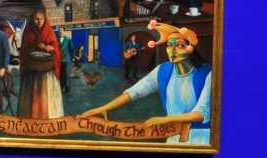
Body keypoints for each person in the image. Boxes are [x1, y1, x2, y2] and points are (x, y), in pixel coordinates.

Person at [82, 21, 211, 144]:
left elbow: (202, 112)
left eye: (180, 46)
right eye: (169, 45)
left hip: (201, 138)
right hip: (174, 137)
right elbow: (136, 91)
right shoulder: (163, 70)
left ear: (191, 48)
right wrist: (105, 108)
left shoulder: (208, 73)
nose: (172, 50)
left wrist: (165, 120)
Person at [17, 7, 64, 119]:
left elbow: (56, 49)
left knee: (46, 96)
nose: (39, 21)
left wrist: (48, 47)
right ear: (33, 20)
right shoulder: (28, 32)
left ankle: (50, 117)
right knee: (31, 97)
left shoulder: (49, 31)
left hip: (47, 71)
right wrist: (34, 47)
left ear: (45, 19)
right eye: (36, 19)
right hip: (31, 71)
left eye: (42, 19)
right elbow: (23, 51)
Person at [56, 28, 73, 94]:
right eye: (59, 30)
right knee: (60, 74)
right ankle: (60, 87)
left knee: (66, 74)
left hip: (66, 59)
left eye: (61, 30)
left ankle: (67, 88)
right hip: (59, 60)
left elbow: (71, 48)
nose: (60, 31)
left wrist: (73, 57)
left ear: (64, 31)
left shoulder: (68, 39)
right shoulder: (56, 39)